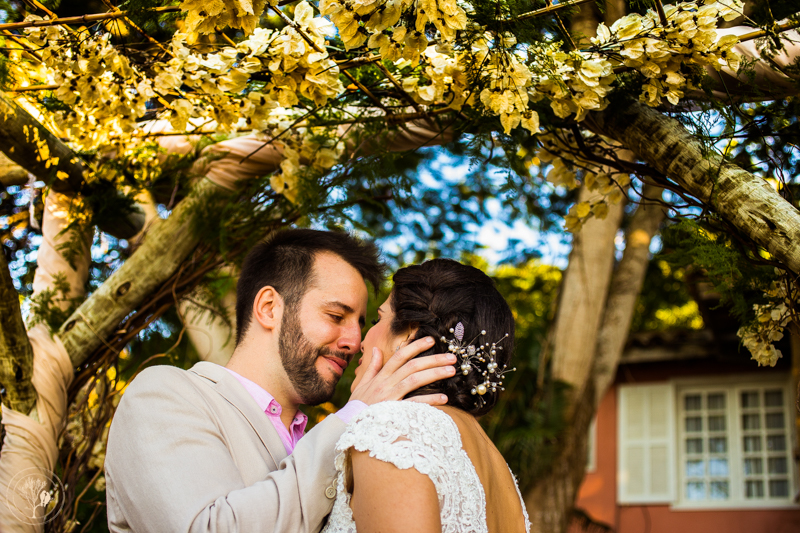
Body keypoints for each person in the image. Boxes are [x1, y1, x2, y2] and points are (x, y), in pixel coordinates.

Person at [104, 229, 457, 532]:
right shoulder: (165, 395)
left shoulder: (332, 442)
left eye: (361, 323)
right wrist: (353, 418)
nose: (354, 341)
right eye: (336, 315)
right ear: (270, 308)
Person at [322, 259, 530, 533]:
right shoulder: (493, 459)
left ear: (410, 331)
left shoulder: (391, 429)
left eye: (378, 319)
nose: (361, 341)